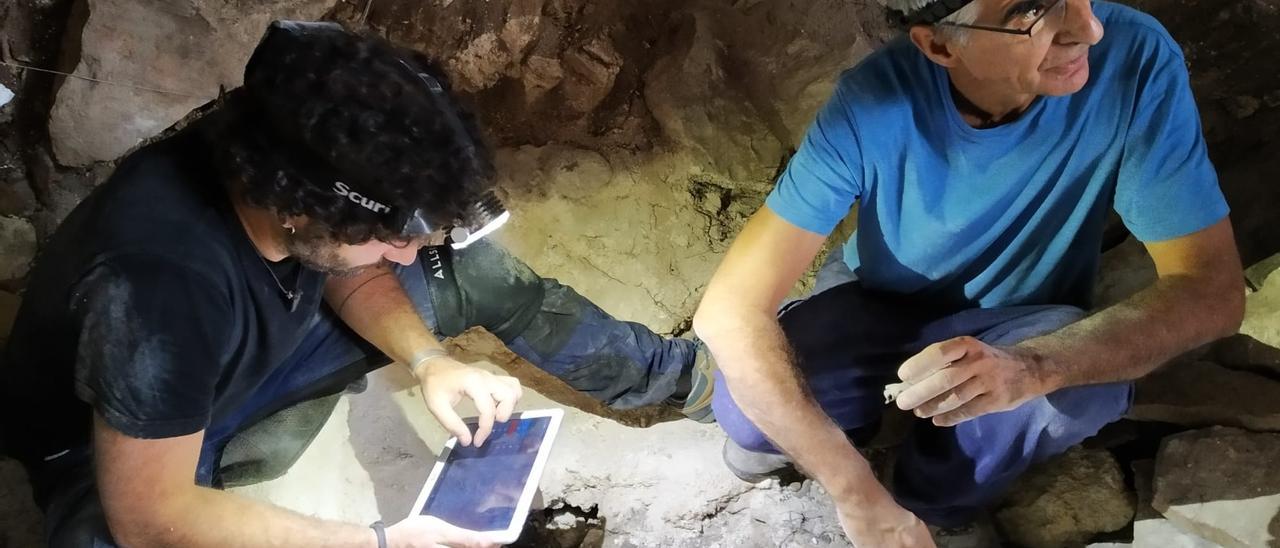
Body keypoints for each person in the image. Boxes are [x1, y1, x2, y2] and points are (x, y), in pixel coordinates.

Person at [0, 21, 712, 548]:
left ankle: (692, 383)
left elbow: (350, 266)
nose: (406, 258)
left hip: (237, 361)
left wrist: (431, 361)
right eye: (394, 236)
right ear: (302, 207)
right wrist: (375, 541)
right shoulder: (158, 288)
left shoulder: (291, 153)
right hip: (120, 442)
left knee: (480, 273)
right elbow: (152, 516)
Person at [692, 0, 1244, 546]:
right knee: (749, 410)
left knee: (1074, 394)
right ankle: (842, 433)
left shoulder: (1134, 58)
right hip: (877, 298)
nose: (1089, 29)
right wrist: (854, 490)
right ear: (938, 44)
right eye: (1031, 12)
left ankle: (936, 498)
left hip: (1019, 318)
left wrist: (1033, 367)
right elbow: (730, 311)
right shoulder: (874, 103)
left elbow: (1211, 290)